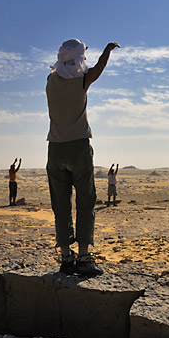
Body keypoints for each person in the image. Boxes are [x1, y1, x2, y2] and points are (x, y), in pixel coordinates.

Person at [45, 38, 119, 276]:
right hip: (78, 146)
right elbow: (98, 69)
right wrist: (107, 50)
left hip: (55, 148)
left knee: (61, 203)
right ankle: (85, 257)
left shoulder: (50, 81)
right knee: (85, 201)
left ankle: (66, 257)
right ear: (79, 58)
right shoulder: (82, 81)